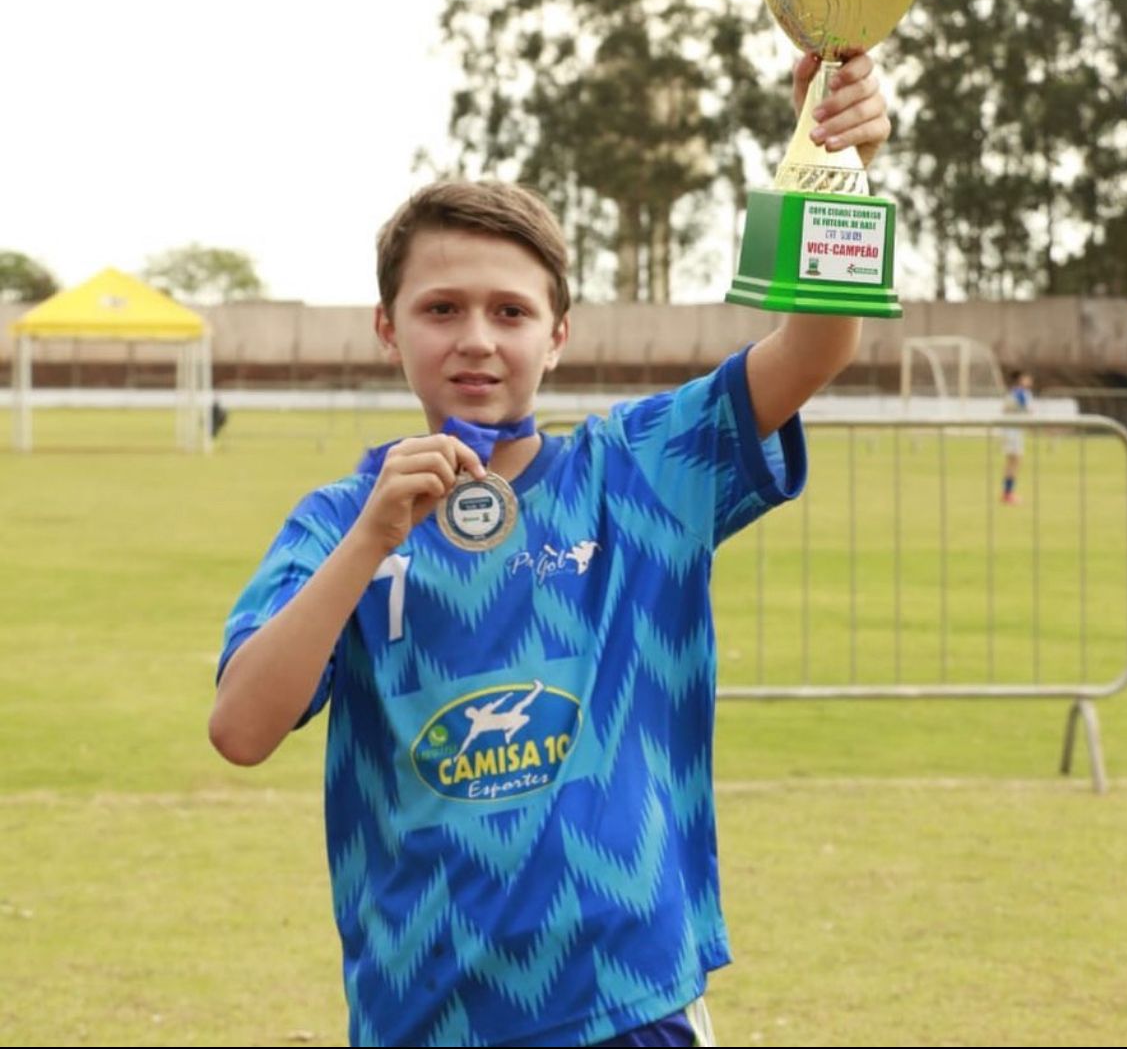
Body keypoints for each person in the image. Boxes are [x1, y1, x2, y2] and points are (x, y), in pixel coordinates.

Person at [209, 51, 890, 1048]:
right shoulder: (334, 521)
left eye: (510, 311)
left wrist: (837, 173)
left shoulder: (635, 473)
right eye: (441, 309)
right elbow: (240, 727)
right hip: (425, 1014)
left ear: (558, 334)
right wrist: (368, 543)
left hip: (629, 1002)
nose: (476, 338)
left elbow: (817, 347)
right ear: (387, 329)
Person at [1000, 370, 1034, 505]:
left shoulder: (1012, 393)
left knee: (1010, 462)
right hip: (1014, 431)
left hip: (1009, 430)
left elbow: (1005, 409)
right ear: (1021, 379)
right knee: (1015, 462)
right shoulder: (1022, 394)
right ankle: (1008, 494)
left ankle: (1006, 493)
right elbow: (1029, 412)